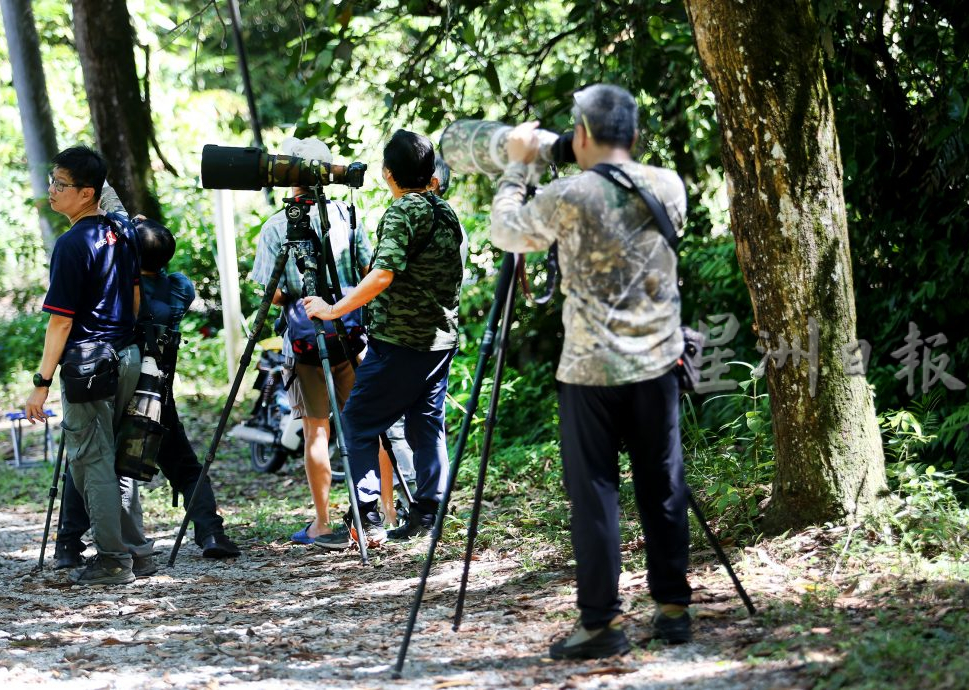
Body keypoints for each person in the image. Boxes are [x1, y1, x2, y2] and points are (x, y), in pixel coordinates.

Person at [488, 84, 692, 659]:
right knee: (664, 484)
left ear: (581, 134)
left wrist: (517, 168)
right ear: (632, 133)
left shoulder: (567, 194)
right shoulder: (670, 185)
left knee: (597, 494)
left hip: (589, 371)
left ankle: (601, 624)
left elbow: (506, 233)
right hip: (657, 362)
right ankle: (673, 610)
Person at [303, 129, 466, 549]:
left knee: (358, 422)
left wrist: (333, 309)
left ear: (387, 174)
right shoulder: (445, 211)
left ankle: (368, 517)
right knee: (426, 428)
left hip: (399, 343)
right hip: (439, 342)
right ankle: (428, 514)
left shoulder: (402, 213)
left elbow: (383, 274)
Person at [53, 219, 242, 565]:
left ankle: (68, 544)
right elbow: (163, 272)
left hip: (112, 387)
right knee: (185, 466)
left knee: (86, 459)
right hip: (156, 396)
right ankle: (211, 532)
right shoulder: (180, 289)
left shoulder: (121, 293)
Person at [24, 145, 152, 586]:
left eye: (61, 185)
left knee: (90, 460)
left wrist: (41, 382)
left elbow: (60, 323)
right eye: (52, 181)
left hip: (87, 364)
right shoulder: (121, 233)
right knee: (115, 458)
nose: (52, 191)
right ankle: (137, 552)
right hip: (126, 355)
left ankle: (114, 560)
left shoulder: (72, 244)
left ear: (87, 194)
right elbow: (134, 299)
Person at [251, 136, 374, 545]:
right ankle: (377, 516)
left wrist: (295, 293)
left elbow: (267, 291)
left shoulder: (275, 226)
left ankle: (322, 524)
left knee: (316, 431)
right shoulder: (346, 215)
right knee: (365, 426)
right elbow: (365, 269)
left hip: (305, 343)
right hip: (350, 335)